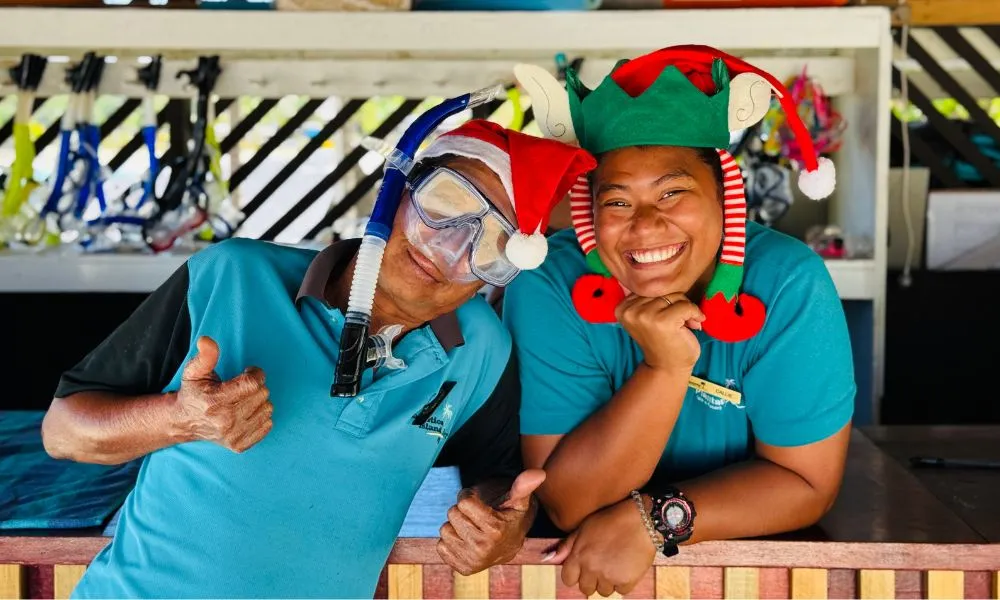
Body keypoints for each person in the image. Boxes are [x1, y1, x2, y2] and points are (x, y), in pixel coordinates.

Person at [41, 119, 596, 599]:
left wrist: (504, 527)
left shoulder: (483, 349)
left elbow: (498, 481)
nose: (447, 248)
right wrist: (177, 420)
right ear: (398, 191)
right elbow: (63, 432)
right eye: (445, 205)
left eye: (494, 243)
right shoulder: (233, 276)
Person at [504, 47, 855, 597]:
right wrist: (664, 367)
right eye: (616, 202)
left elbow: (807, 484)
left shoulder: (790, 283)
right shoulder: (548, 284)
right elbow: (569, 501)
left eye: (673, 192)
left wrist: (655, 519)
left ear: (726, 195)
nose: (645, 226)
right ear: (587, 209)